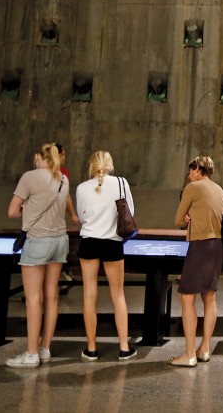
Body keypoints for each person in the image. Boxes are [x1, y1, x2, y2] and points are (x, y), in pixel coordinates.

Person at [5, 143, 78, 368]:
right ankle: (45, 348)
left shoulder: (30, 177)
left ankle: (31, 354)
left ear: (38, 157)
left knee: (33, 299)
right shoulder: (63, 180)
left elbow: (12, 212)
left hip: (37, 241)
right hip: (59, 242)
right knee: (52, 296)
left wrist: (29, 209)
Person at [75, 150, 136, 361]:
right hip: (112, 243)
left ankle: (91, 348)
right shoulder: (121, 182)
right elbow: (130, 213)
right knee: (117, 294)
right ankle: (123, 347)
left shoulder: (82, 188)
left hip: (89, 242)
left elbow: (82, 216)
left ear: (91, 165)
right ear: (110, 165)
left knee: (89, 294)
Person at [169, 156, 223, 367]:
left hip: (199, 245)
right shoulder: (218, 189)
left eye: (191, 169)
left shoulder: (192, 188)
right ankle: (204, 349)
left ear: (197, 170)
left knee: (187, 299)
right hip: (216, 246)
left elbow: (177, 220)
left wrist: (185, 219)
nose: (189, 173)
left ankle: (189, 354)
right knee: (209, 298)